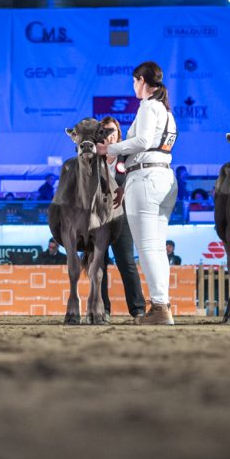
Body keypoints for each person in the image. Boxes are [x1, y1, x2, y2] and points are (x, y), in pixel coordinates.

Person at [95, 62, 177, 325]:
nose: (133, 87)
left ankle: (160, 307)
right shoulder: (166, 110)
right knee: (158, 247)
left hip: (146, 178)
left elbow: (142, 141)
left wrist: (109, 149)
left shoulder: (148, 106)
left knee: (148, 247)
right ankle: (162, 304)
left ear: (141, 80)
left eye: (134, 81)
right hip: (163, 176)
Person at [97, 116, 145, 321]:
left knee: (126, 262)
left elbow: (136, 178)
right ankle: (102, 310)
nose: (110, 136)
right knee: (98, 264)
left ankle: (138, 310)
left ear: (119, 134)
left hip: (121, 215)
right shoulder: (93, 157)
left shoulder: (127, 156)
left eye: (113, 132)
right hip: (97, 217)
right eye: (106, 131)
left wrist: (125, 188)